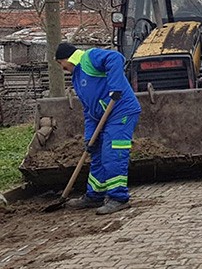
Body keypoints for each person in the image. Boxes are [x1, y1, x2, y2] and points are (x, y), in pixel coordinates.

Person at [55, 42, 142, 215]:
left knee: (112, 153)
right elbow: (89, 110)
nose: (63, 68)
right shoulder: (77, 78)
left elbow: (116, 57)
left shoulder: (90, 58)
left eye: (61, 64)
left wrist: (116, 86)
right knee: (97, 155)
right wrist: (89, 137)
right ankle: (95, 195)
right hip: (102, 117)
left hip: (121, 111)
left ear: (65, 59)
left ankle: (119, 198)